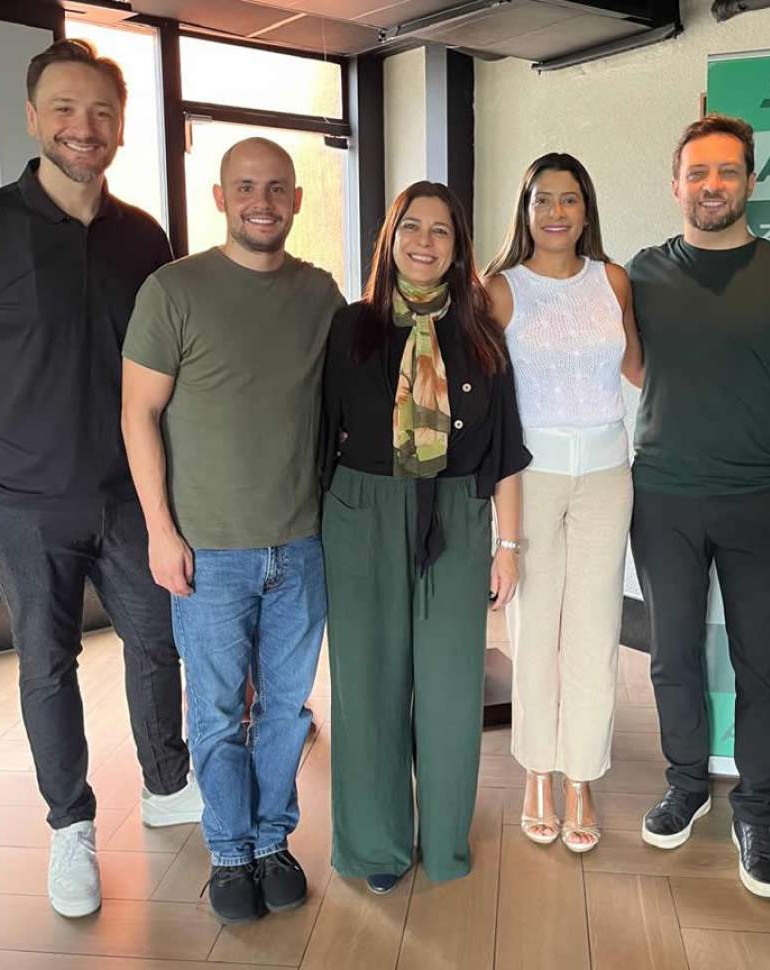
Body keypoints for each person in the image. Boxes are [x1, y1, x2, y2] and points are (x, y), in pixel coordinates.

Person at [0, 39, 201, 920]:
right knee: (48, 666)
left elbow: (164, 376)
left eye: (102, 112)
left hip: (130, 497)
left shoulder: (144, 237)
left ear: (120, 125)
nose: (85, 127)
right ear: (34, 117)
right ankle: (70, 824)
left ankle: (167, 783)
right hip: (20, 503)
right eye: (66, 109)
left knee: (158, 646)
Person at [121, 137, 344, 925]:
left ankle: (273, 840)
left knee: (286, 710)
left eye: (277, 187)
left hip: (301, 546)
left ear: (296, 199)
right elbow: (138, 414)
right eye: (245, 186)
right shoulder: (173, 290)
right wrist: (160, 531)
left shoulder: (319, 294)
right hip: (208, 551)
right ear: (220, 197)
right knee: (216, 711)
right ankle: (228, 850)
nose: (262, 201)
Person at [629, 114, 770, 899]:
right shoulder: (642, 273)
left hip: (763, 503)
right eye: (697, 172)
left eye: (726, 171)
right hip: (664, 498)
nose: (711, 185)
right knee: (672, 657)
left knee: (765, 664)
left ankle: (756, 812)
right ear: (675, 184)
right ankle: (686, 784)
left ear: (750, 180)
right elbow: (638, 367)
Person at [321, 181, 530, 893]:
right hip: (362, 512)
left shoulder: (480, 337)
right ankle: (376, 847)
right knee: (368, 682)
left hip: (459, 513)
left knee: (449, 689)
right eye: (412, 226)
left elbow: (505, 451)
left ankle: (443, 842)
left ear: (458, 248)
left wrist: (509, 547)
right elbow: (321, 435)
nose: (425, 242)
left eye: (441, 231)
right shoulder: (350, 327)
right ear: (390, 238)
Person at [484, 153, 642, 854]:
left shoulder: (613, 280)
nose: (555, 212)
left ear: (586, 209)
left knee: (594, 627)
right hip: (533, 475)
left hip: (608, 473)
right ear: (525, 211)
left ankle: (582, 776)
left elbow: (638, 367)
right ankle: (538, 773)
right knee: (535, 626)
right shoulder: (500, 289)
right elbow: (488, 402)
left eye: (569, 199)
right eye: (542, 200)